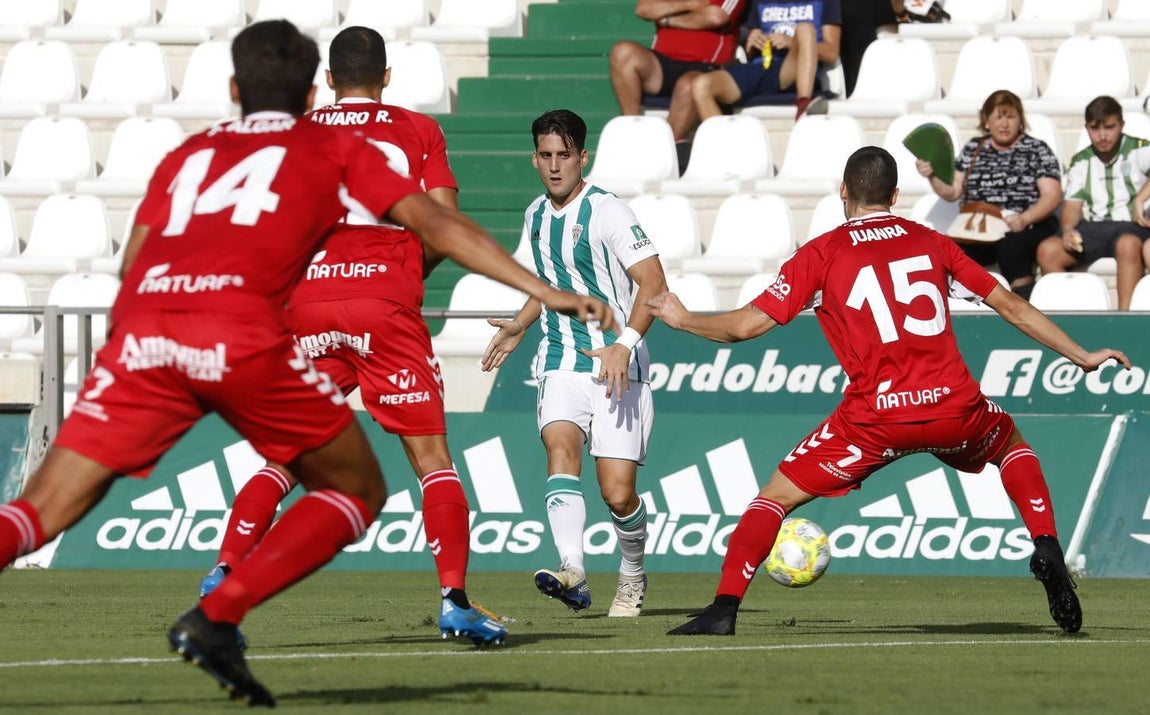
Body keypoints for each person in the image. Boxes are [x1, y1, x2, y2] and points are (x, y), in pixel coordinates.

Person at [0, 20, 614, 707]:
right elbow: (439, 224)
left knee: (39, 512)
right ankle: (245, 610)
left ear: (237, 89)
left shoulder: (189, 152)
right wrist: (544, 291)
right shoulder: (331, 143)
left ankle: (220, 582)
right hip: (271, 321)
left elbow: (137, 259)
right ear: (312, 93)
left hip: (154, 327)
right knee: (362, 486)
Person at [648, 146, 1128, 637]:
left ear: (843, 191)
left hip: (876, 420)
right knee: (1011, 446)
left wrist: (684, 319)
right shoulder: (932, 242)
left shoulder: (821, 254)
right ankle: (1046, 542)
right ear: (895, 195)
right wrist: (1081, 355)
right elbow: (1011, 306)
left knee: (773, 499)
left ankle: (724, 608)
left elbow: (745, 326)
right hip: (953, 407)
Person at [195, 26, 507, 647]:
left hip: (309, 302)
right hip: (382, 301)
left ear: (329, 81)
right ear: (386, 76)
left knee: (285, 455)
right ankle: (454, 601)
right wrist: (402, 273)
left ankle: (224, 570)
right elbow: (443, 222)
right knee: (431, 460)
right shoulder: (418, 130)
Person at [480, 109, 668, 618]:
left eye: (564, 155)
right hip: (560, 360)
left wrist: (624, 343)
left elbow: (654, 283)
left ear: (583, 157)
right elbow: (551, 284)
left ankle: (632, 574)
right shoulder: (535, 215)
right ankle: (573, 570)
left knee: (617, 494)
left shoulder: (609, 212)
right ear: (534, 159)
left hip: (616, 365)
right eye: (546, 155)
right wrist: (522, 323)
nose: (554, 165)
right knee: (560, 450)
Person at [918, 89, 1062, 300]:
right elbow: (953, 192)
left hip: (1023, 224)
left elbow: (1051, 194)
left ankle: (1023, 303)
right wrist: (932, 176)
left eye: (1010, 117)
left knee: (1012, 248)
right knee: (948, 252)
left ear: (1020, 120)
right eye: (998, 117)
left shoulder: (1037, 149)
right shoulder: (973, 148)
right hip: (980, 228)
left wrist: (1024, 218)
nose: (1004, 124)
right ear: (986, 120)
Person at [1036, 96, 1150, 311]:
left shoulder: (1139, 149)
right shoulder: (1082, 160)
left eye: (1109, 127)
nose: (1103, 136)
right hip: (1096, 228)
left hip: (1132, 225)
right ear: (1086, 128)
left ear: (1121, 125)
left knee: (1127, 244)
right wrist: (1068, 230)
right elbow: (1072, 205)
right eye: (1095, 128)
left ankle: (1125, 317)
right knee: (1048, 250)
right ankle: (1068, 319)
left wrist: (1141, 198)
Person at [609, 0, 748, 165]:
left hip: (707, 66)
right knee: (622, 52)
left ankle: (658, 158)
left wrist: (667, 19)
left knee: (689, 83)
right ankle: (634, 136)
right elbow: (644, 9)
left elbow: (715, 17)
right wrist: (689, 5)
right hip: (663, 63)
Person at [689, 0, 842, 124]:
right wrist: (753, 41)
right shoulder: (761, 2)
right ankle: (727, 147)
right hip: (760, 66)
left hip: (793, 69)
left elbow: (831, 53)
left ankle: (803, 104)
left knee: (805, 28)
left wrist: (790, 42)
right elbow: (750, 51)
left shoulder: (825, 2)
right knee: (701, 86)